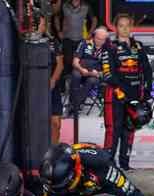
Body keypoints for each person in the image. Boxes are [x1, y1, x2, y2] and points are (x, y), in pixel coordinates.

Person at [101, 14, 152, 171]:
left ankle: (125, 163)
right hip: (115, 94)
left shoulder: (138, 46)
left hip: (134, 94)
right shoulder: (109, 46)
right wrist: (119, 89)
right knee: (113, 129)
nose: (124, 28)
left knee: (129, 129)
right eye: (121, 25)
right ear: (115, 28)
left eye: (127, 25)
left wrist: (147, 91)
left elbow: (147, 69)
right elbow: (107, 72)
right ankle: (108, 164)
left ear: (131, 27)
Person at [70, 26, 109, 115]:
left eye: (103, 39)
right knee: (76, 75)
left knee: (91, 80)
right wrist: (81, 69)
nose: (100, 41)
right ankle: (73, 102)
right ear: (94, 36)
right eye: (98, 39)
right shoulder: (84, 43)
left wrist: (98, 73)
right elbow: (75, 62)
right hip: (80, 69)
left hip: (94, 74)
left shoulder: (108, 48)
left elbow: (108, 69)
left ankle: (75, 105)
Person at [40, 14, 65, 144]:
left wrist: (53, 80)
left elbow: (60, 64)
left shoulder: (52, 42)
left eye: (43, 24)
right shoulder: (24, 42)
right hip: (34, 87)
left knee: (55, 123)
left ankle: (54, 150)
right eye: (39, 24)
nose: (41, 27)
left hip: (52, 86)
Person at [56, 0, 97, 77]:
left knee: (80, 63)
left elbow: (94, 19)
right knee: (67, 62)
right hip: (67, 38)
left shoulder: (86, 6)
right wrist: (59, 31)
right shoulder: (65, 5)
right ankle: (66, 82)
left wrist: (91, 32)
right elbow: (56, 17)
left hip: (81, 39)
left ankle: (77, 81)